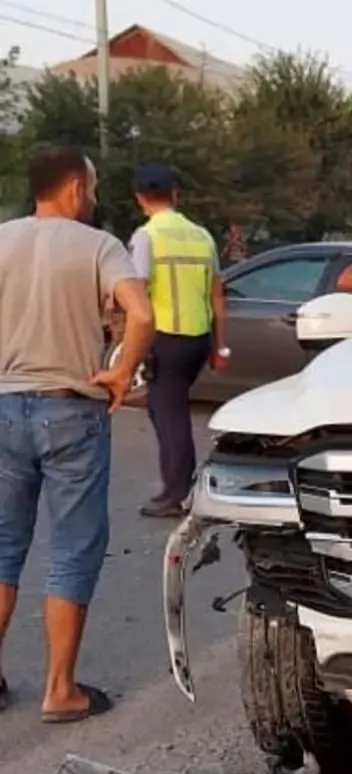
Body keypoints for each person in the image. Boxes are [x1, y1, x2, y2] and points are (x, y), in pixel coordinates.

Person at [0, 146, 154, 721]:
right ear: (71, 189)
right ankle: (60, 690)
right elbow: (140, 316)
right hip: (71, 410)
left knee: (3, 547)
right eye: (89, 188)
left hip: (5, 406)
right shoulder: (100, 246)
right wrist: (119, 370)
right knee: (71, 548)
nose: (91, 198)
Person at [129, 164, 227, 518]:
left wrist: (129, 350)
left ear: (140, 198)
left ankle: (176, 493)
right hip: (198, 338)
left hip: (165, 337)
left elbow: (136, 295)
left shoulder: (146, 237)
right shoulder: (201, 236)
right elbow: (217, 295)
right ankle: (178, 487)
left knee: (169, 416)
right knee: (171, 410)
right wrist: (220, 346)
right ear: (175, 194)